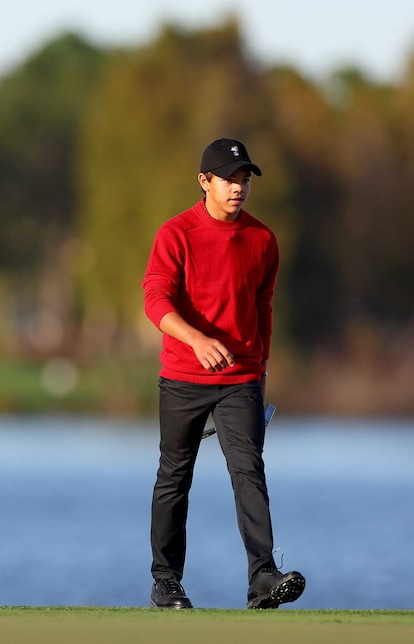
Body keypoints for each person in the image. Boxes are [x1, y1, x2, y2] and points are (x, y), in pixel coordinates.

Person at [141, 138, 305, 610]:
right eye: (229, 179)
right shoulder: (176, 234)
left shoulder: (262, 239)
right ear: (204, 182)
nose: (238, 188)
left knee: (249, 472)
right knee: (175, 476)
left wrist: (261, 373)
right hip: (182, 376)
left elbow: (262, 308)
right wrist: (196, 339)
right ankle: (166, 582)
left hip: (241, 381)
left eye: (245, 179)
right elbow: (156, 301)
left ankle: (262, 577)